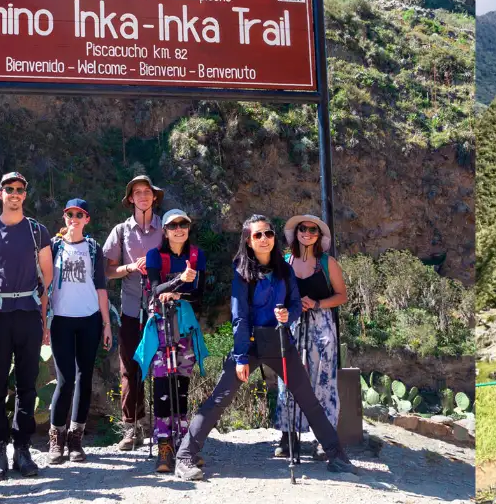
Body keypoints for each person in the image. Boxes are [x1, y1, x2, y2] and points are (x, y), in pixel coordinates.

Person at [173, 215, 357, 480]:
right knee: (220, 399)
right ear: (248, 240)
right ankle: (185, 457)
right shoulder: (241, 273)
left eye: (268, 234)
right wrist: (240, 358)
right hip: (249, 345)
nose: (264, 239)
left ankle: (336, 455)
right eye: (257, 235)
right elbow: (239, 317)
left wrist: (288, 316)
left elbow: (294, 304)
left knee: (309, 400)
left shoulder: (285, 269)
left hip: (281, 342)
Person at [0, 172, 54, 480]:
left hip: (28, 315)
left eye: (20, 189)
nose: (15, 193)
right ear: (0, 193)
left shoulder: (37, 231)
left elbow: (47, 277)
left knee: (28, 385)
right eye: (10, 189)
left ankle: (22, 449)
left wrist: (43, 318)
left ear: (25, 194)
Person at [137, 209, 207, 473]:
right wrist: (180, 281)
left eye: (184, 224)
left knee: (181, 385)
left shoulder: (197, 255)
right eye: (173, 225)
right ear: (165, 231)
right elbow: (155, 289)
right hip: (161, 325)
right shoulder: (156, 255)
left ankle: (183, 444)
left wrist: (176, 291)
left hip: (185, 325)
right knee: (163, 383)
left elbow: (199, 294)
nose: (179, 229)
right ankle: (164, 445)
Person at [274, 214, 348, 459]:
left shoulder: (328, 263)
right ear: (295, 233)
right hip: (292, 325)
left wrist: (317, 303)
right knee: (289, 377)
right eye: (302, 229)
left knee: (323, 380)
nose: (307, 233)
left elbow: (341, 295)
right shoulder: (285, 262)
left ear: (319, 235)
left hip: (321, 326)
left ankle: (324, 438)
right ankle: (288, 435)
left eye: (313, 230)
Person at [102, 175, 167, 450]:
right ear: (130, 199)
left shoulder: (166, 227)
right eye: (137, 192)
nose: (142, 196)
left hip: (162, 307)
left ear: (154, 197)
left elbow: (178, 258)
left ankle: (166, 425)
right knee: (130, 368)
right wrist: (130, 268)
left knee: (165, 368)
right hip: (131, 308)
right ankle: (132, 427)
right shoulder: (121, 231)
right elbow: (107, 270)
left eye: (147, 192)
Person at [45, 199, 111, 464]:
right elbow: (44, 287)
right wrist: (43, 324)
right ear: (64, 217)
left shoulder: (93, 248)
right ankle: (56, 439)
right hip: (60, 320)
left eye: (79, 214)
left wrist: (106, 324)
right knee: (65, 379)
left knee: (84, 378)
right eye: (69, 214)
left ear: (87, 219)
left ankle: (75, 441)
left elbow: (101, 288)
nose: (73, 218)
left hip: (89, 319)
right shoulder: (53, 247)